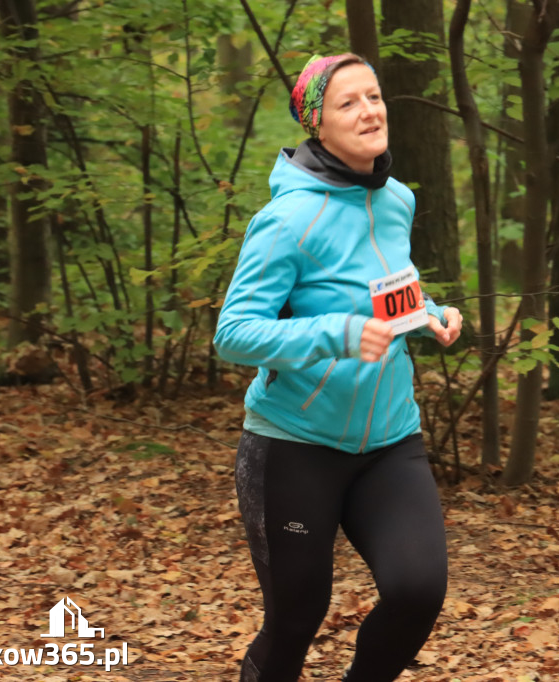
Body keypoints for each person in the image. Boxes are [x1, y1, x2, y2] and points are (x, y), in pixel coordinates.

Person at [213, 53, 463, 682]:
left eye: (374, 96)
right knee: (297, 619)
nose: (369, 111)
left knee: (417, 590)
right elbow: (235, 333)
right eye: (348, 102)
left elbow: (384, 287)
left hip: (389, 440)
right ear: (316, 123)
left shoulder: (396, 198)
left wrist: (429, 313)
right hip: (295, 445)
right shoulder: (288, 219)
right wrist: (342, 335)